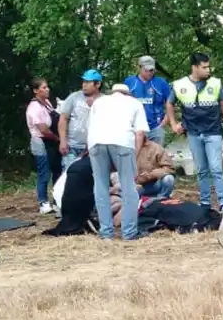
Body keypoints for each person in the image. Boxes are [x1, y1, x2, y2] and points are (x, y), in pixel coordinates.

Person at [166, 52, 223, 211]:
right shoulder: (180, 85)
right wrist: (173, 123)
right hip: (193, 133)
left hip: (213, 132)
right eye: (204, 67)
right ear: (194, 67)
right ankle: (205, 203)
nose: (208, 70)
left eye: (208, 67)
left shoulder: (215, 83)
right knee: (201, 170)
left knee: (216, 169)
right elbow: (169, 103)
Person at [87, 83, 149, 240]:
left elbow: (90, 126)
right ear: (128, 93)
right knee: (129, 188)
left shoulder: (99, 102)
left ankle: (106, 232)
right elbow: (140, 133)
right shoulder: (134, 103)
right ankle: (129, 232)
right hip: (122, 142)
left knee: (100, 186)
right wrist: (134, 156)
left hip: (96, 142)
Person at [25, 78, 62, 214]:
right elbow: (43, 129)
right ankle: (43, 202)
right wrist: (58, 138)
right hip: (40, 141)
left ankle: (57, 200)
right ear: (36, 91)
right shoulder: (34, 107)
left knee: (57, 169)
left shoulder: (47, 103)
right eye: (44, 87)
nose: (47, 89)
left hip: (51, 141)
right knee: (44, 172)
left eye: (47, 87)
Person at [58, 69, 103, 170]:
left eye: (88, 82)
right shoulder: (74, 97)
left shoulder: (104, 100)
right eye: (83, 81)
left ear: (98, 84)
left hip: (94, 148)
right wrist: (63, 140)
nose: (84, 85)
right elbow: (63, 118)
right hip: (72, 146)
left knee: (90, 175)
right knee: (68, 173)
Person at [124, 55, 171, 146]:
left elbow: (170, 104)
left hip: (156, 127)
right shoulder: (129, 82)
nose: (149, 73)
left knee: (156, 154)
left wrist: (163, 123)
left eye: (152, 70)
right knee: (135, 154)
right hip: (134, 128)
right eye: (146, 70)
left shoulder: (161, 83)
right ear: (139, 68)